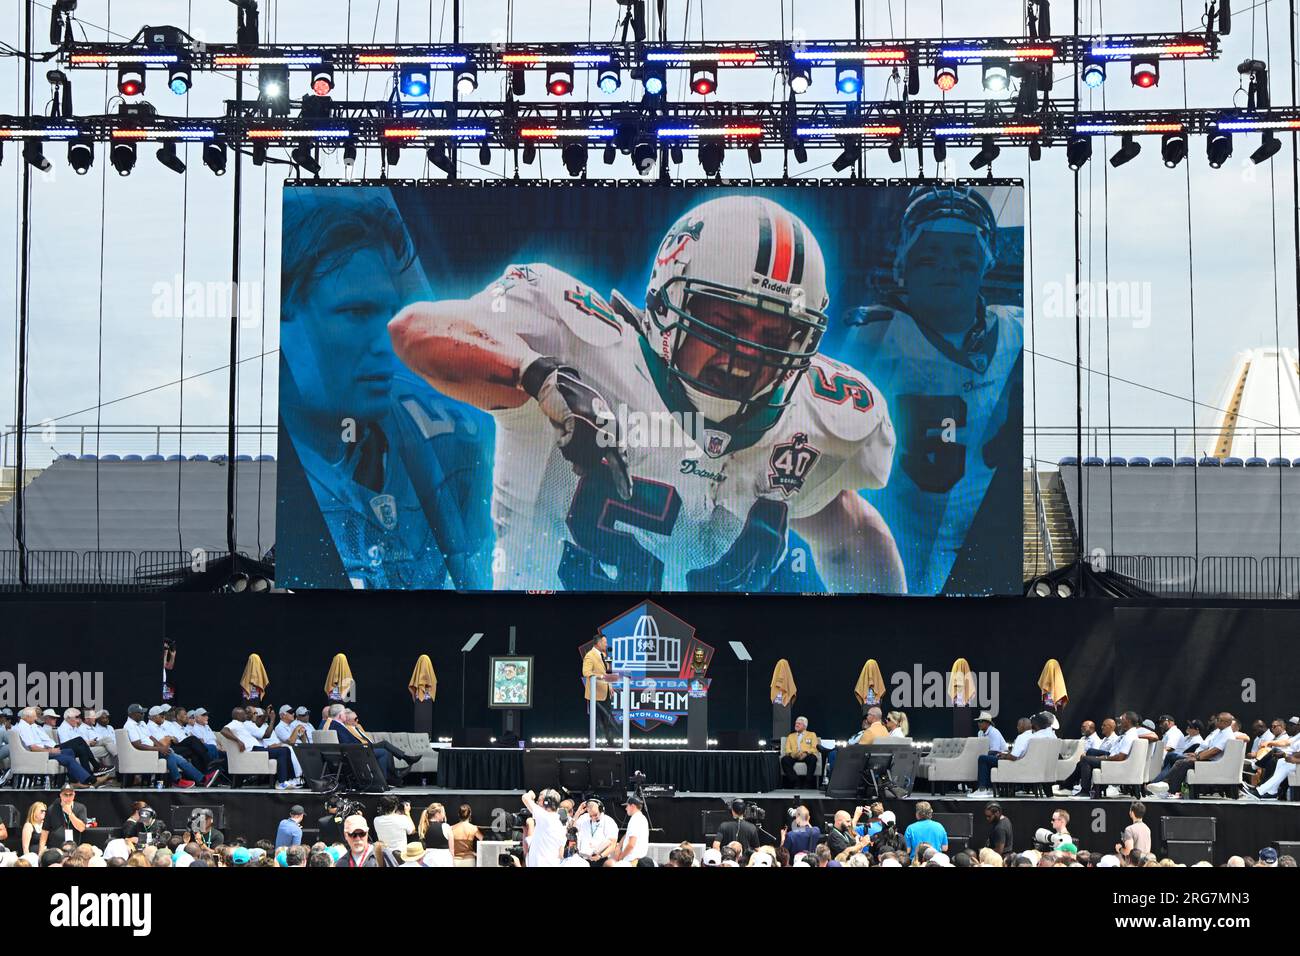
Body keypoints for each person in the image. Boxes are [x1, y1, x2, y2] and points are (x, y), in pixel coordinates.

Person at [390, 193, 905, 595]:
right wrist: (539, 377)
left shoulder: (810, 418)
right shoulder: (584, 344)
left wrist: (886, 650)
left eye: (774, 337)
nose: (745, 354)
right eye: (725, 322)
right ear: (665, 301)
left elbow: (845, 531)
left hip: (705, 680)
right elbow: (417, 331)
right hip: (542, 649)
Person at [278, 188, 493, 590]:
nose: (386, 342)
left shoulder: (450, 442)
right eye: (356, 313)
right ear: (285, 320)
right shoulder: (265, 474)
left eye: (389, 314)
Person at [842, 184, 1023, 595]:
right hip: (886, 534)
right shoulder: (874, 333)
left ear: (985, 264)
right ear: (904, 266)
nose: (948, 269)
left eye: (963, 258)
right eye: (931, 258)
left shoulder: (1015, 329)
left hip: (973, 541)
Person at [1147, 712, 1236, 799]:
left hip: (1214, 763)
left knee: (1183, 762)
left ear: (1227, 723)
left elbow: (1215, 751)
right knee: (1181, 761)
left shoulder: (1226, 734)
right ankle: (1167, 787)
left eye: (1218, 720)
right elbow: (1209, 748)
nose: (1216, 721)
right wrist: (1196, 755)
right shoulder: (1221, 732)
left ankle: (1167, 786)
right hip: (1210, 760)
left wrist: (1197, 757)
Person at [13, 707, 93, 788]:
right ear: (27, 717)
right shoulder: (24, 728)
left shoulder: (29, 726)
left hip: (42, 751)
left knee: (69, 752)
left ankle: (74, 781)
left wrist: (50, 749)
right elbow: (33, 748)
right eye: (34, 716)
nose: (36, 718)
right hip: (38, 754)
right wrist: (50, 751)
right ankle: (90, 780)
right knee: (68, 758)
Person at [220, 706, 297, 788]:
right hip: (253, 750)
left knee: (285, 749)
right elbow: (223, 731)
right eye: (243, 714)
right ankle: (282, 782)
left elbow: (259, 724)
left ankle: (288, 780)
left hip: (257, 749)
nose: (246, 716)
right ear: (238, 716)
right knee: (283, 751)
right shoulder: (234, 723)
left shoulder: (242, 724)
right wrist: (238, 741)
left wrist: (266, 715)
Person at [1076, 711, 1144, 798]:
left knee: (1086, 760)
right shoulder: (1129, 733)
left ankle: (1084, 790)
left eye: (1122, 719)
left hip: (1117, 764)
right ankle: (1069, 784)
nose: (1119, 722)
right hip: (1114, 758)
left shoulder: (1130, 736)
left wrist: (1104, 757)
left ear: (1128, 721)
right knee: (1090, 752)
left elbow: (1120, 757)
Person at [972, 716, 1030, 797]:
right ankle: (990, 789)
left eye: (1018, 725)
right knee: (987, 758)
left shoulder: (1022, 737)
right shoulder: (1031, 736)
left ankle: (983, 789)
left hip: (1014, 762)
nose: (1017, 727)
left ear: (1023, 726)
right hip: (1021, 762)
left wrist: (1004, 756)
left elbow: (1013, 756)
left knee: (983, 758)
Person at [582, 634, 621, 744]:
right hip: (596, 694)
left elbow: (606, 671)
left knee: (607, 719)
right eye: (605, 642)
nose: (606, 644)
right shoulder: (590, 655)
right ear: (599, 643)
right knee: (597, 720)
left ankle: (610, 741)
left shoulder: (603, 654)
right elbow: (586, 672)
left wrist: (610, 686)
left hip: (606, 692)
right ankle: (596, 742)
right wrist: (601, 677)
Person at [521, 789, 566, 868]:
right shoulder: (559, 824)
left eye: (539, 800)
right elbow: (561, 853)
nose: (537, 803)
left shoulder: (545, 817)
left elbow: (525, 797)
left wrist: (531, 794)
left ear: (546, 802)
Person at [608, 794, 649, 867]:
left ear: (632, 806)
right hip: (636, 861)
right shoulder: (641, 818)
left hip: (632, 862)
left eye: (627, 806)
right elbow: (628, 834)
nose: (626, 808)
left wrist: (621, 857)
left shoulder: (635, 819)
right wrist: (619, 846)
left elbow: (631, 844)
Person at [780, 716, 821, 788]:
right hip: (794, 755)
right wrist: (794, 754)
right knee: (784, 759)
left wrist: (806, 753)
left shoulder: (812, 734)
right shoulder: (790, 736)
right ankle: (796, 781)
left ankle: (808, 782)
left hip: (807, 755)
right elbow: (787, 749)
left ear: (805, 726)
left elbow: (815, 747)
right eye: (796, 723)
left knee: (813, 758)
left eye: (799, 724)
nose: (796, 725)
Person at [575, 798, 619, 863]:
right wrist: (577, 813)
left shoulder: (609, 822)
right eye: (591, 815)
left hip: (599, 860)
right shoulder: (584, 818)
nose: (593, 818)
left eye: (595, 815)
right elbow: (571, 829)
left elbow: (613, 844)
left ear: (601, 810)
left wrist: (600, 856)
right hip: (583, 859)